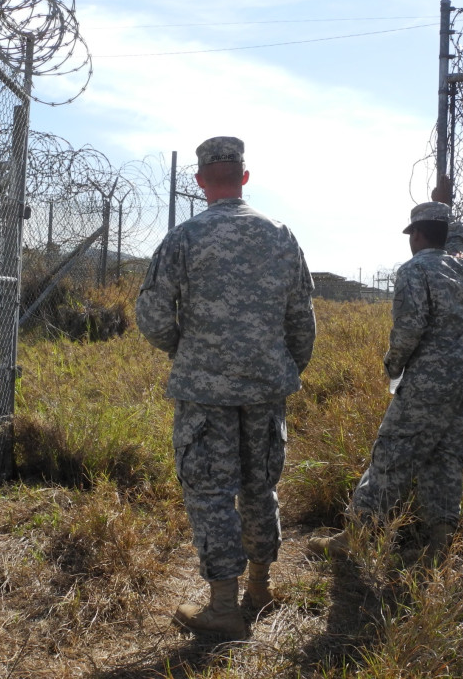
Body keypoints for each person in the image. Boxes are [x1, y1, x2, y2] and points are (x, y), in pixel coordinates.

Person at [136, 136, 316, 639]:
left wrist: (187, 351)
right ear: (244, 177)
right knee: (260, 486)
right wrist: (281, 367)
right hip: (265, 387)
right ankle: (260, 587)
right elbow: (301, 318)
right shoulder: (280, 235)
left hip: (204, 391)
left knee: (212, 491)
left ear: (200, 181)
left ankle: (222, 609)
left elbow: (152, 315)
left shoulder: (184, 237)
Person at [309, 176, 463, 566]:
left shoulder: (414, 270)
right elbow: (458, 243)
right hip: (461, 379)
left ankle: (355, 537)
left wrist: (393, 364)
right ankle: (439, 546)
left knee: (392, 454)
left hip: (425, 384)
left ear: (416, 235)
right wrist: (447, 209)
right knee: (446, 457)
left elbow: (409, 328)